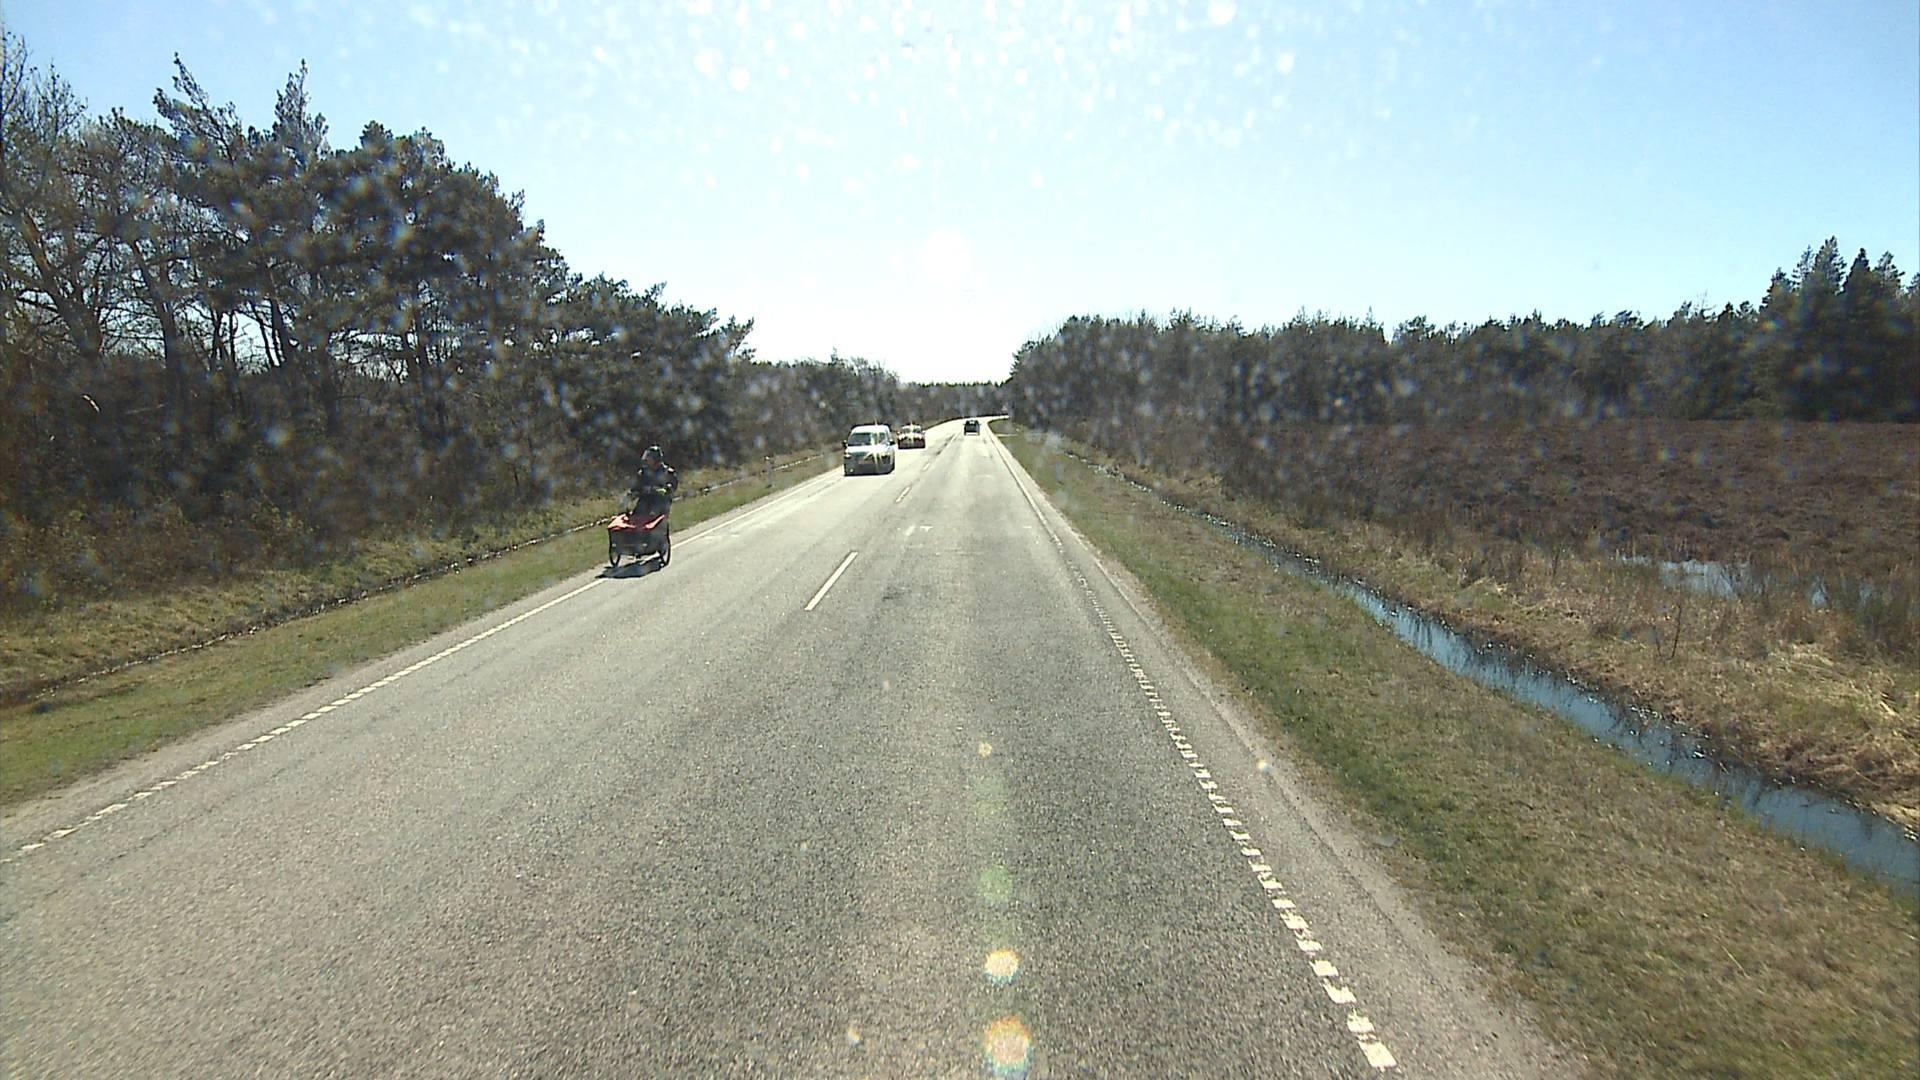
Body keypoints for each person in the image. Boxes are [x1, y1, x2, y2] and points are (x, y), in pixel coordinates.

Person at [628, 445, 678, 520]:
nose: (647, 460)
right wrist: (631, 494)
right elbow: (636, 487)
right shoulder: (643, 472)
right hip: (645, 500)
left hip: (660, 502)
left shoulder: (667, 472)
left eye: (649, 458)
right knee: (637, 512)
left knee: (655, 513)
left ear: (656, 459)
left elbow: (671, 488)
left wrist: (663, 489)